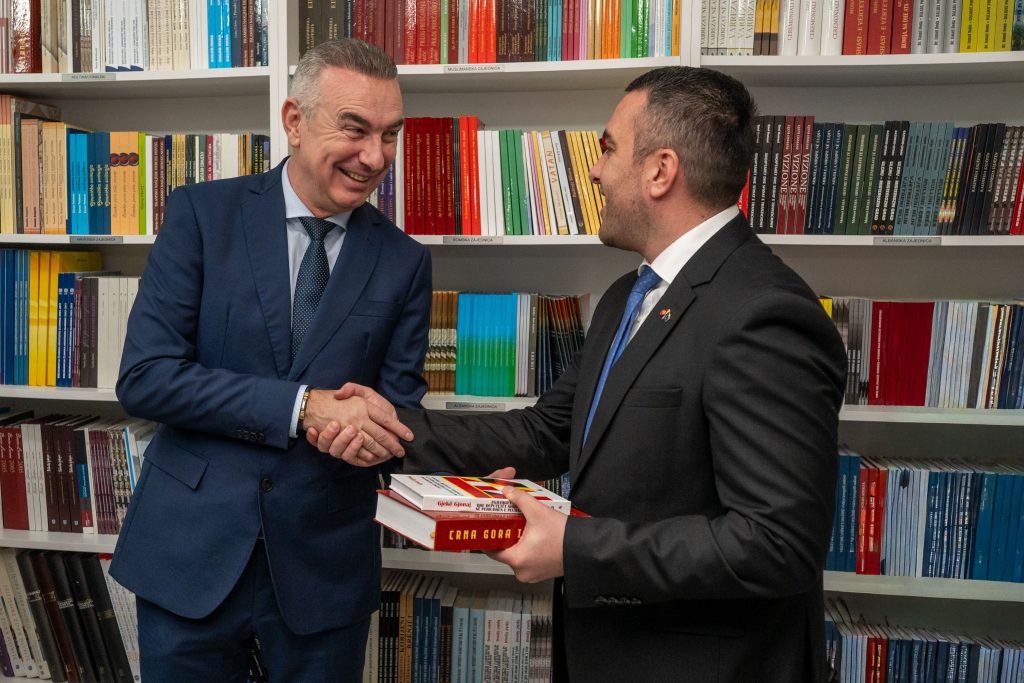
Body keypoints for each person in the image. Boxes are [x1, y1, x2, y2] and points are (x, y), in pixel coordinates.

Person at [312, 66, 847, 682]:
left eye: (608, 149)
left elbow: (777, 543)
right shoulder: (627, 296)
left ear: (660, 171)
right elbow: (548, 432)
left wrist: (572, 548)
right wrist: (384, 426)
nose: (594, 171)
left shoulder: (764, 311)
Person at [111, 38, 428, 682]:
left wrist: (385, 443)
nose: (375, 157)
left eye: (390, 135)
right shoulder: (201, 215)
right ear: (294, 120)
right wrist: (303, 408)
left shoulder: (405, 260)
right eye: (355, 129)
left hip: (324, 568)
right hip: (189, 555)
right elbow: (146, 378)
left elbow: (398, 416)